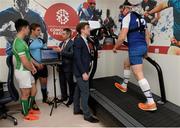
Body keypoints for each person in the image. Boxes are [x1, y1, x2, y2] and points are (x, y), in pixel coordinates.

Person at [113, 1, 157, 111]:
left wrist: (115, 47)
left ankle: (151, 102)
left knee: (138, 74)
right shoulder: (141, 18)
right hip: (142, 47)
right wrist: (145, 50)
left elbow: (122, 37)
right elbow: (147, 35)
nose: (121, 12)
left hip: (135, 48)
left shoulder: (127, 17)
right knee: (126, 63)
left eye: (122, 10)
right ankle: (124, 85)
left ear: (127, 8)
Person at [12, 19, 39, 120]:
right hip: (22, 71)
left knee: (34, 90)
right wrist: (32, 68)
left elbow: (28, 57)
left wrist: (32, 66)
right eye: (28, 28)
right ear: (23, 28)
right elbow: (24, 61)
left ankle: (29, 108)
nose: (29, 30)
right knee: (25, 94)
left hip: (27, 70)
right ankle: (26, 114)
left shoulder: (22, 41)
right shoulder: (18, 43)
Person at [73, 22, 99, 123]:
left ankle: (76, 109)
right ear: (82, 30)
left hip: (82, 70)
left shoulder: (85, 40)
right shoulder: (79, 40)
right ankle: (87, 115)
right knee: (85, 93)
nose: (89, 29)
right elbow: (77, 58)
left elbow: (85, 55)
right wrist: (84, 72)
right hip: (81, 71)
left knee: (78, 90)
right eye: (87, 28)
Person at [28, 23, 50, 110]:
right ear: (32, 31)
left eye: (40, 30)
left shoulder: (41, 40)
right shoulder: (27, 40)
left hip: (43, 65)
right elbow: (27, 54)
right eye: (38, 30)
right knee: (33, 85)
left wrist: (43, 62)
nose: (39, 32)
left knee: (44, 82)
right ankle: (33, 102)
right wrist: (36, 64)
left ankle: (45, 98)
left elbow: (45, 52)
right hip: (33, 66)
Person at [53, 28, 74, 106]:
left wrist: (61, 51)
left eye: (64, 34)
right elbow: (60, 55)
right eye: (62, 33)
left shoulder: (72, 43)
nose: (62, 35)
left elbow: (72, 54)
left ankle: (71, 99)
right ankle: (64, 97)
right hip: (61, 66)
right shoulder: (61, 43)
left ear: (68, 35)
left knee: (70, 84)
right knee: (62, 83)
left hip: (68, 67)